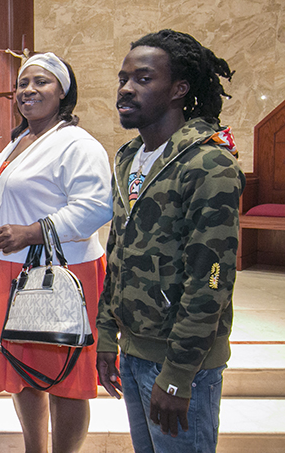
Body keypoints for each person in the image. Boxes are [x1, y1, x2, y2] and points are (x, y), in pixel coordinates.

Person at [96, 29, 243, 453]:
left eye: (143, 79)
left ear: (179, 89)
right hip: (135, 349)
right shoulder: (129, 157)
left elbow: (211, 280)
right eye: (123, 78)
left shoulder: (208, 162)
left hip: (185, 363)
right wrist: (108, 334)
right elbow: (118, 252)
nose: (126, 89)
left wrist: (178, 375)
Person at [0, 52, 113, 453]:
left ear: (63, 92)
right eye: (23, 83)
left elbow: (95, 207)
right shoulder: (19, 140)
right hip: (10, 272)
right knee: (24, 372)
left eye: (41, 82)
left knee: (66, 381)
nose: (28, 90)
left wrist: (32, 233)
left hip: (62, 276)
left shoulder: (77, 144)